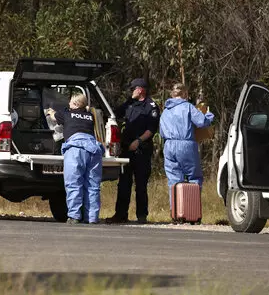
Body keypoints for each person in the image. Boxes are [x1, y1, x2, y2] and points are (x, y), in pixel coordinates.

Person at [106, 78, 160, 224]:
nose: (131, 91)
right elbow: (114, 114)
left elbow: (151, 129)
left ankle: (142, 216)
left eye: (133, 89)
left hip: (141, 150)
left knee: (141, 185)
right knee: (123, 184)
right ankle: (120, 215)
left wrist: (139, 141)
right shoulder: (129, 103)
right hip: (126, 149)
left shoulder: (151, 106)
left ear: (140, 89)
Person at [47, 94, 104, 224]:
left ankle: (74, 216)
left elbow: (53, 117)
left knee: (73, 183)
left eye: (71, 103)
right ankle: (92, 218)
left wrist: (50, 111)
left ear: (76, 104)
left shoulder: (67, 114)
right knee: (93, 185)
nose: (69, 105)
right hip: (94, 149)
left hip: (76, 149)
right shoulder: (90, 116)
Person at [159, 83, 214, 211]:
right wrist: (209, 116)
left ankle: (176, 212)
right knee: (194, 177)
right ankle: (191, 211)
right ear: (185, 94)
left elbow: (161, 131)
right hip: (186, 143)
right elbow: (201, 122)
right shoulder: (188, 107)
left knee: (174, 179)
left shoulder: (165, 111)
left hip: (169, 144)